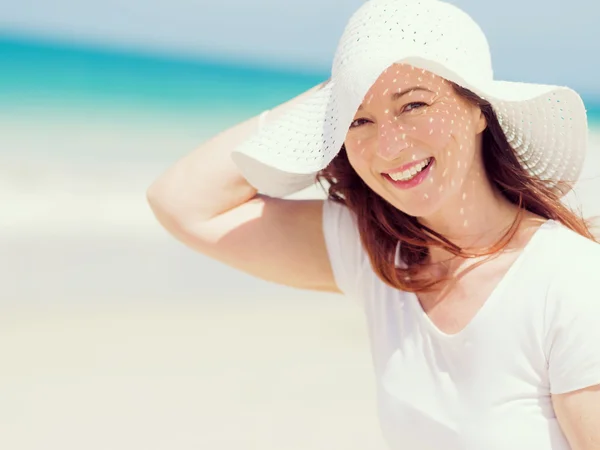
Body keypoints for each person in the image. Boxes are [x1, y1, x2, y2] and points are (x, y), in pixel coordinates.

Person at [147, 0, 600, 448]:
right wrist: (332, 94)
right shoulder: (382, 256)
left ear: (479, 109)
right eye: (359, 119)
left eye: (414, 105)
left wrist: (360, 85)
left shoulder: (570, 281)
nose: (388, 145)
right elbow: (183, 202)